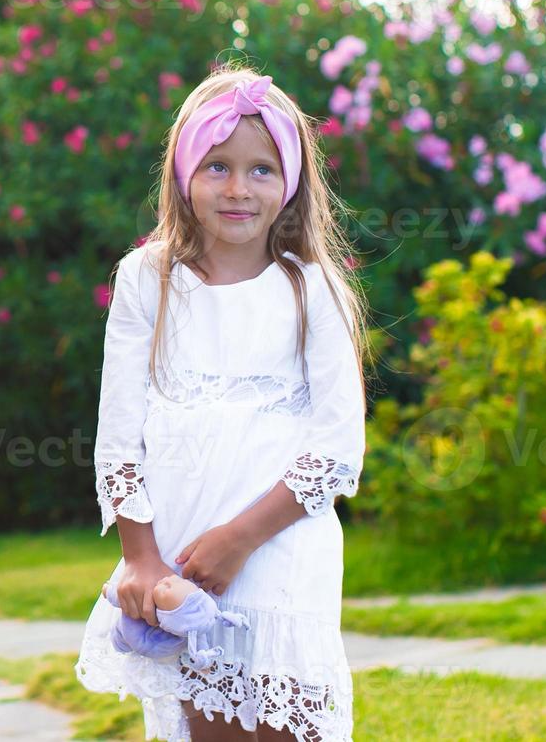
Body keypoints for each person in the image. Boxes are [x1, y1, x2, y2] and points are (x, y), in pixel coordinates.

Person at [72, 61, 374, 742]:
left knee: (277, 721)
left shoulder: (311, 288)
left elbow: (334, 450)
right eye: (217, 167)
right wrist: (142, 560)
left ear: (289, 182)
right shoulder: (145, 281)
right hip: (173, 552)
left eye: (261, 169)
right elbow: (119, 441)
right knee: (206, 725)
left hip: (275, 543)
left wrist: (239, 540)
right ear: (183, 173)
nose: (238, 188)